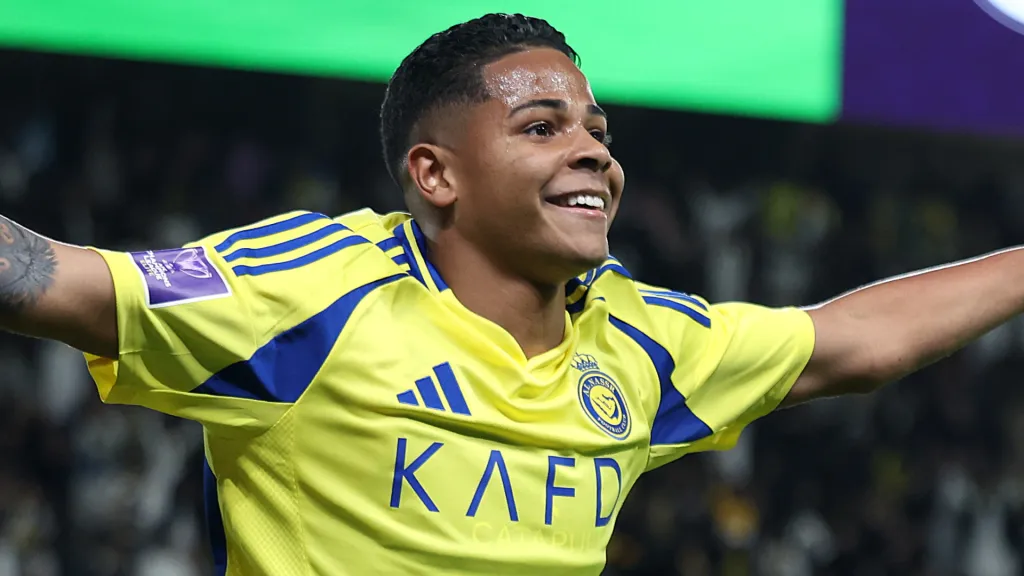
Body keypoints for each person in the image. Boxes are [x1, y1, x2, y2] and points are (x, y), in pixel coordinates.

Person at [0, 12, 1021, 576]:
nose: (590, 152)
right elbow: (59, 281)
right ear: (435, 175)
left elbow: (851, 343)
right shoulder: (315, 291)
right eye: (541, 127)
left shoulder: (646, 344)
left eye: (597, 132)